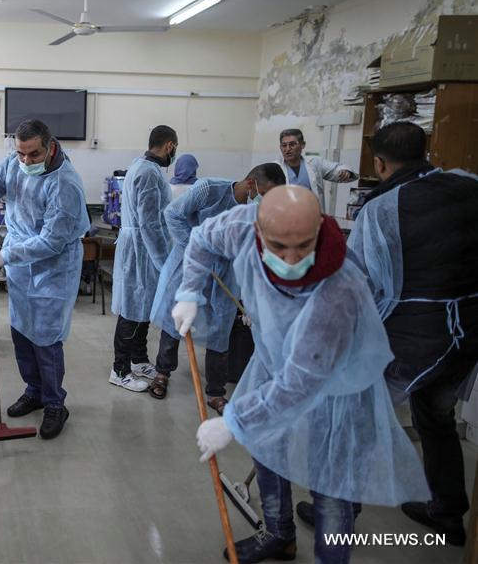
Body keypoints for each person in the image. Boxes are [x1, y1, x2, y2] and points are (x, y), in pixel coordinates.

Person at [174, 185, 429, 563]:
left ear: (321, 230)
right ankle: (279, 535)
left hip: (334, 385)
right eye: (278, 247)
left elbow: (299, 384)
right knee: (267, 447)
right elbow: (201, 238)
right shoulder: (244, 225)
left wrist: (233, 422)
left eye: (303, 246)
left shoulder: (339, 290)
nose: (291, 259)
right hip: (274, 360)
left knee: (331, 483)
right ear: (258, 229)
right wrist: (189, 292)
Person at [308, 121, 478, 546]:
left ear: (380, 163)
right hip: (468, 333)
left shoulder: (382, 209)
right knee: (436, 416)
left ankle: (339, 517)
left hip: (413, 340)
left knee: (354, 419)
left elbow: (358, 284)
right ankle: (449, 513)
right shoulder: (468, 184)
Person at [0, 119, 89, 439]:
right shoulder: (16, 160)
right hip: (20, 264)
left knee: (46, 337)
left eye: (33, 155)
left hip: (52, 269)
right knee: (22, 330)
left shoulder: (65, 184)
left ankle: (55, 403)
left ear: (50, 146)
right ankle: (34, 390)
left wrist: (5, 256)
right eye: (21, 154)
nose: (25, 161)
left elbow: (51, 242)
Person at [146, 163, 284, 402]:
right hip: (189, 264)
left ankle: (216, 392)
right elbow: (173, 215)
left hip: (226, 271)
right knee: (176, 318)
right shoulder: (208, 190)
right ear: (252, 184)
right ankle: (162, 373)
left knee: (221, 325)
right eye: (267, 194)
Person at [109, 125, 176, 392]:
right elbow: (150, 223)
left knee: (142, 306)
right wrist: (164, 261)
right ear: (169, 146)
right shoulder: (148, 173)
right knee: (132, 309)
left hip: (139, 246)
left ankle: (138, 360)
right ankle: (120, 369)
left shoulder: (142, 167)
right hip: (142, 247)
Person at [277, 128, 357, 211]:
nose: (287, 149)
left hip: (313, 216)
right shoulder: (275, 167)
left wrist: (345, 171)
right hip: (287, 217)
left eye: (292, 144)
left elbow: (336, 169)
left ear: (303, 144)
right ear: (280, 147)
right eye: (284, 145)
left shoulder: (315, 163)